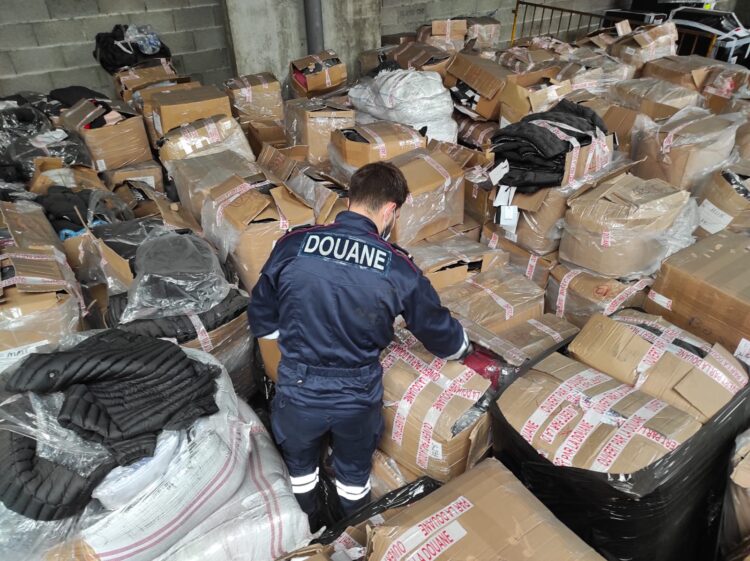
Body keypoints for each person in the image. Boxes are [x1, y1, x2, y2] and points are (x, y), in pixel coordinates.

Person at [248, 161, 470, 525]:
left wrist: (287, 357)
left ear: (350, 199)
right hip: (357, 396)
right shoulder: (397, 267)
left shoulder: (293, 244)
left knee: (299, 471)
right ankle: (353, 535)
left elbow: (261, 315)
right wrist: (461, 347)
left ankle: (310, 532)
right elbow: (435, 328)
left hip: (298, 388)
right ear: (390, 210)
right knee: (353, 478)